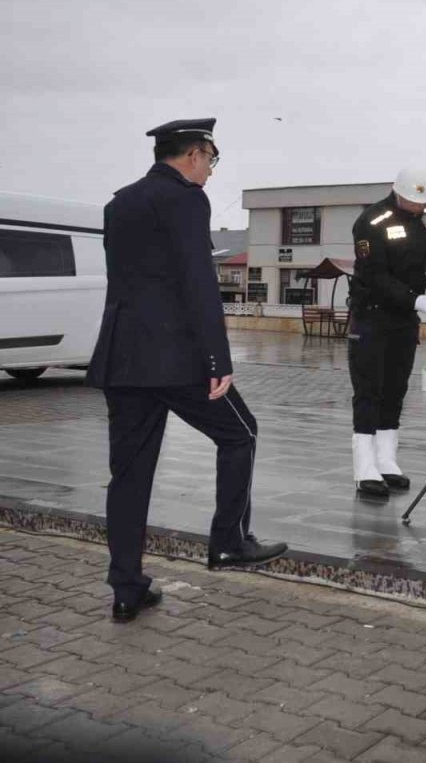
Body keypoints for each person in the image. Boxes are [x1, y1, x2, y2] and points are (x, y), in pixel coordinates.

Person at [86, 118, 287, 623]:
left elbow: (127, 281)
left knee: (128, 476)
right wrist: (218, 360)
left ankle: (127, 588)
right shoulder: (185, 199)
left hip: (122, 358)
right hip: (176, 360)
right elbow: (198, 281)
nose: (211, 173)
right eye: (211, 161)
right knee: (242, 434)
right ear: (194, 155)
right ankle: (228, 542)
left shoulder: (120, 202)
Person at [347, 167, 426, 499]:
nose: (417, 207)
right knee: (368, 390)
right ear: (397, 192)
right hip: (372, 317)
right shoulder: (372, 222)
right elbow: (375, 276)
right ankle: (364, 468)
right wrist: (415, 299)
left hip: (404, 319)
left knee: (395, 390)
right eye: (413, 201)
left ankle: (387, 462)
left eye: (422, 202)